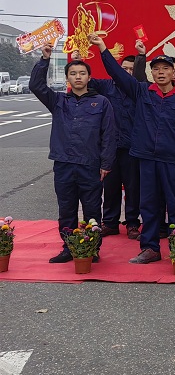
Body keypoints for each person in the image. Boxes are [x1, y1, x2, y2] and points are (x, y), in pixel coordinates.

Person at [92, 35, 175, 264]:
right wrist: (102, 47)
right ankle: (150, 248)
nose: (161, 72)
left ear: (174, 72)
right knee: (148, 205)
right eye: (156, 69)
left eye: (165, 68)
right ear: (151, 73)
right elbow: (117, 73)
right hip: (146, 159)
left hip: (173, 161)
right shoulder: (142, 91)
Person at [31, 44, 116, 263]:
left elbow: (109, 135)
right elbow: (36, 86)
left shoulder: (102, 102)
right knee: (66, 209)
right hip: (64, 164)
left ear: (89, 77)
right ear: (67, 78)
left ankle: (92, 248)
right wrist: (44, 60)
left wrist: (106, 164)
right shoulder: (58, 101)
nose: (78, 77)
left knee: (92, 209)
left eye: (82, 73)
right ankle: (69, 248)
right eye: (73, 73)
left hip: (90, 164)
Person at [75, 49, 142, 241]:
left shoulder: (138, 89)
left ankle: (132, 223)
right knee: (110, 187)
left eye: (131, 69)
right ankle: (111, 223)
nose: (127, 72)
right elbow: (85, 82)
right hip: (109, 147)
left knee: (133, 187)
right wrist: (78, 63)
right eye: (124, 68)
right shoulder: (106, 86)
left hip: (132, 147)